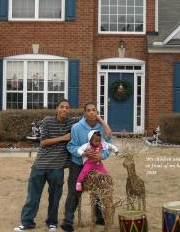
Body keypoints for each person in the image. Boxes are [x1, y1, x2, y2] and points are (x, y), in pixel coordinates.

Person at [14, 99, 75, 232]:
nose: (64, 109)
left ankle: (52, 222)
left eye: (67, 107)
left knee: (55, 197)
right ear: (57, 109)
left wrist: (101, 121)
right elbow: (43, 142)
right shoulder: (47, 121)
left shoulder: (71, 122)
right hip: (40, 165)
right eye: (62, 107)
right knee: (33, 196)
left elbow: (89, 118)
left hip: (57, 167)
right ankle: (27, 222)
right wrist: (63, 138)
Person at [61, 102, 113, 232]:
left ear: (97, 112)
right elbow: (71, 146)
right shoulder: (76, 127)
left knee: (98, 190)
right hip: (77, 164)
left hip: (96, 164)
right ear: (84, 112)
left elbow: (107, 146)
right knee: (74, 191)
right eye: (88, 110)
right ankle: (68, 221)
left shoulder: (103, 128)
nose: (91, 112)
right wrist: (83, 153)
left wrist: (101, 156)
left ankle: (99, 216)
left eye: (94, 110)